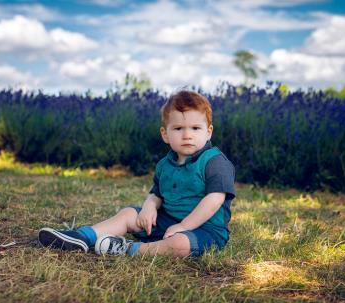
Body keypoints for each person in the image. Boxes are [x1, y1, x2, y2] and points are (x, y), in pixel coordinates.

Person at [38, 90, 236, 257]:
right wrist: (149, 207)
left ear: (208, 132)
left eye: (195, 128)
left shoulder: (215, 161)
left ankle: (131, 249)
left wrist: (184, 225)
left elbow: (214, 200)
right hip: (166, 221)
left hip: (206, 229)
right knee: (129, 214)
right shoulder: (164, 165)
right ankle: (83, 236)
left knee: (180, 244)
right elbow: (156, 193)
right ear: (165, 134)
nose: (187, 135)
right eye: (178, 128)